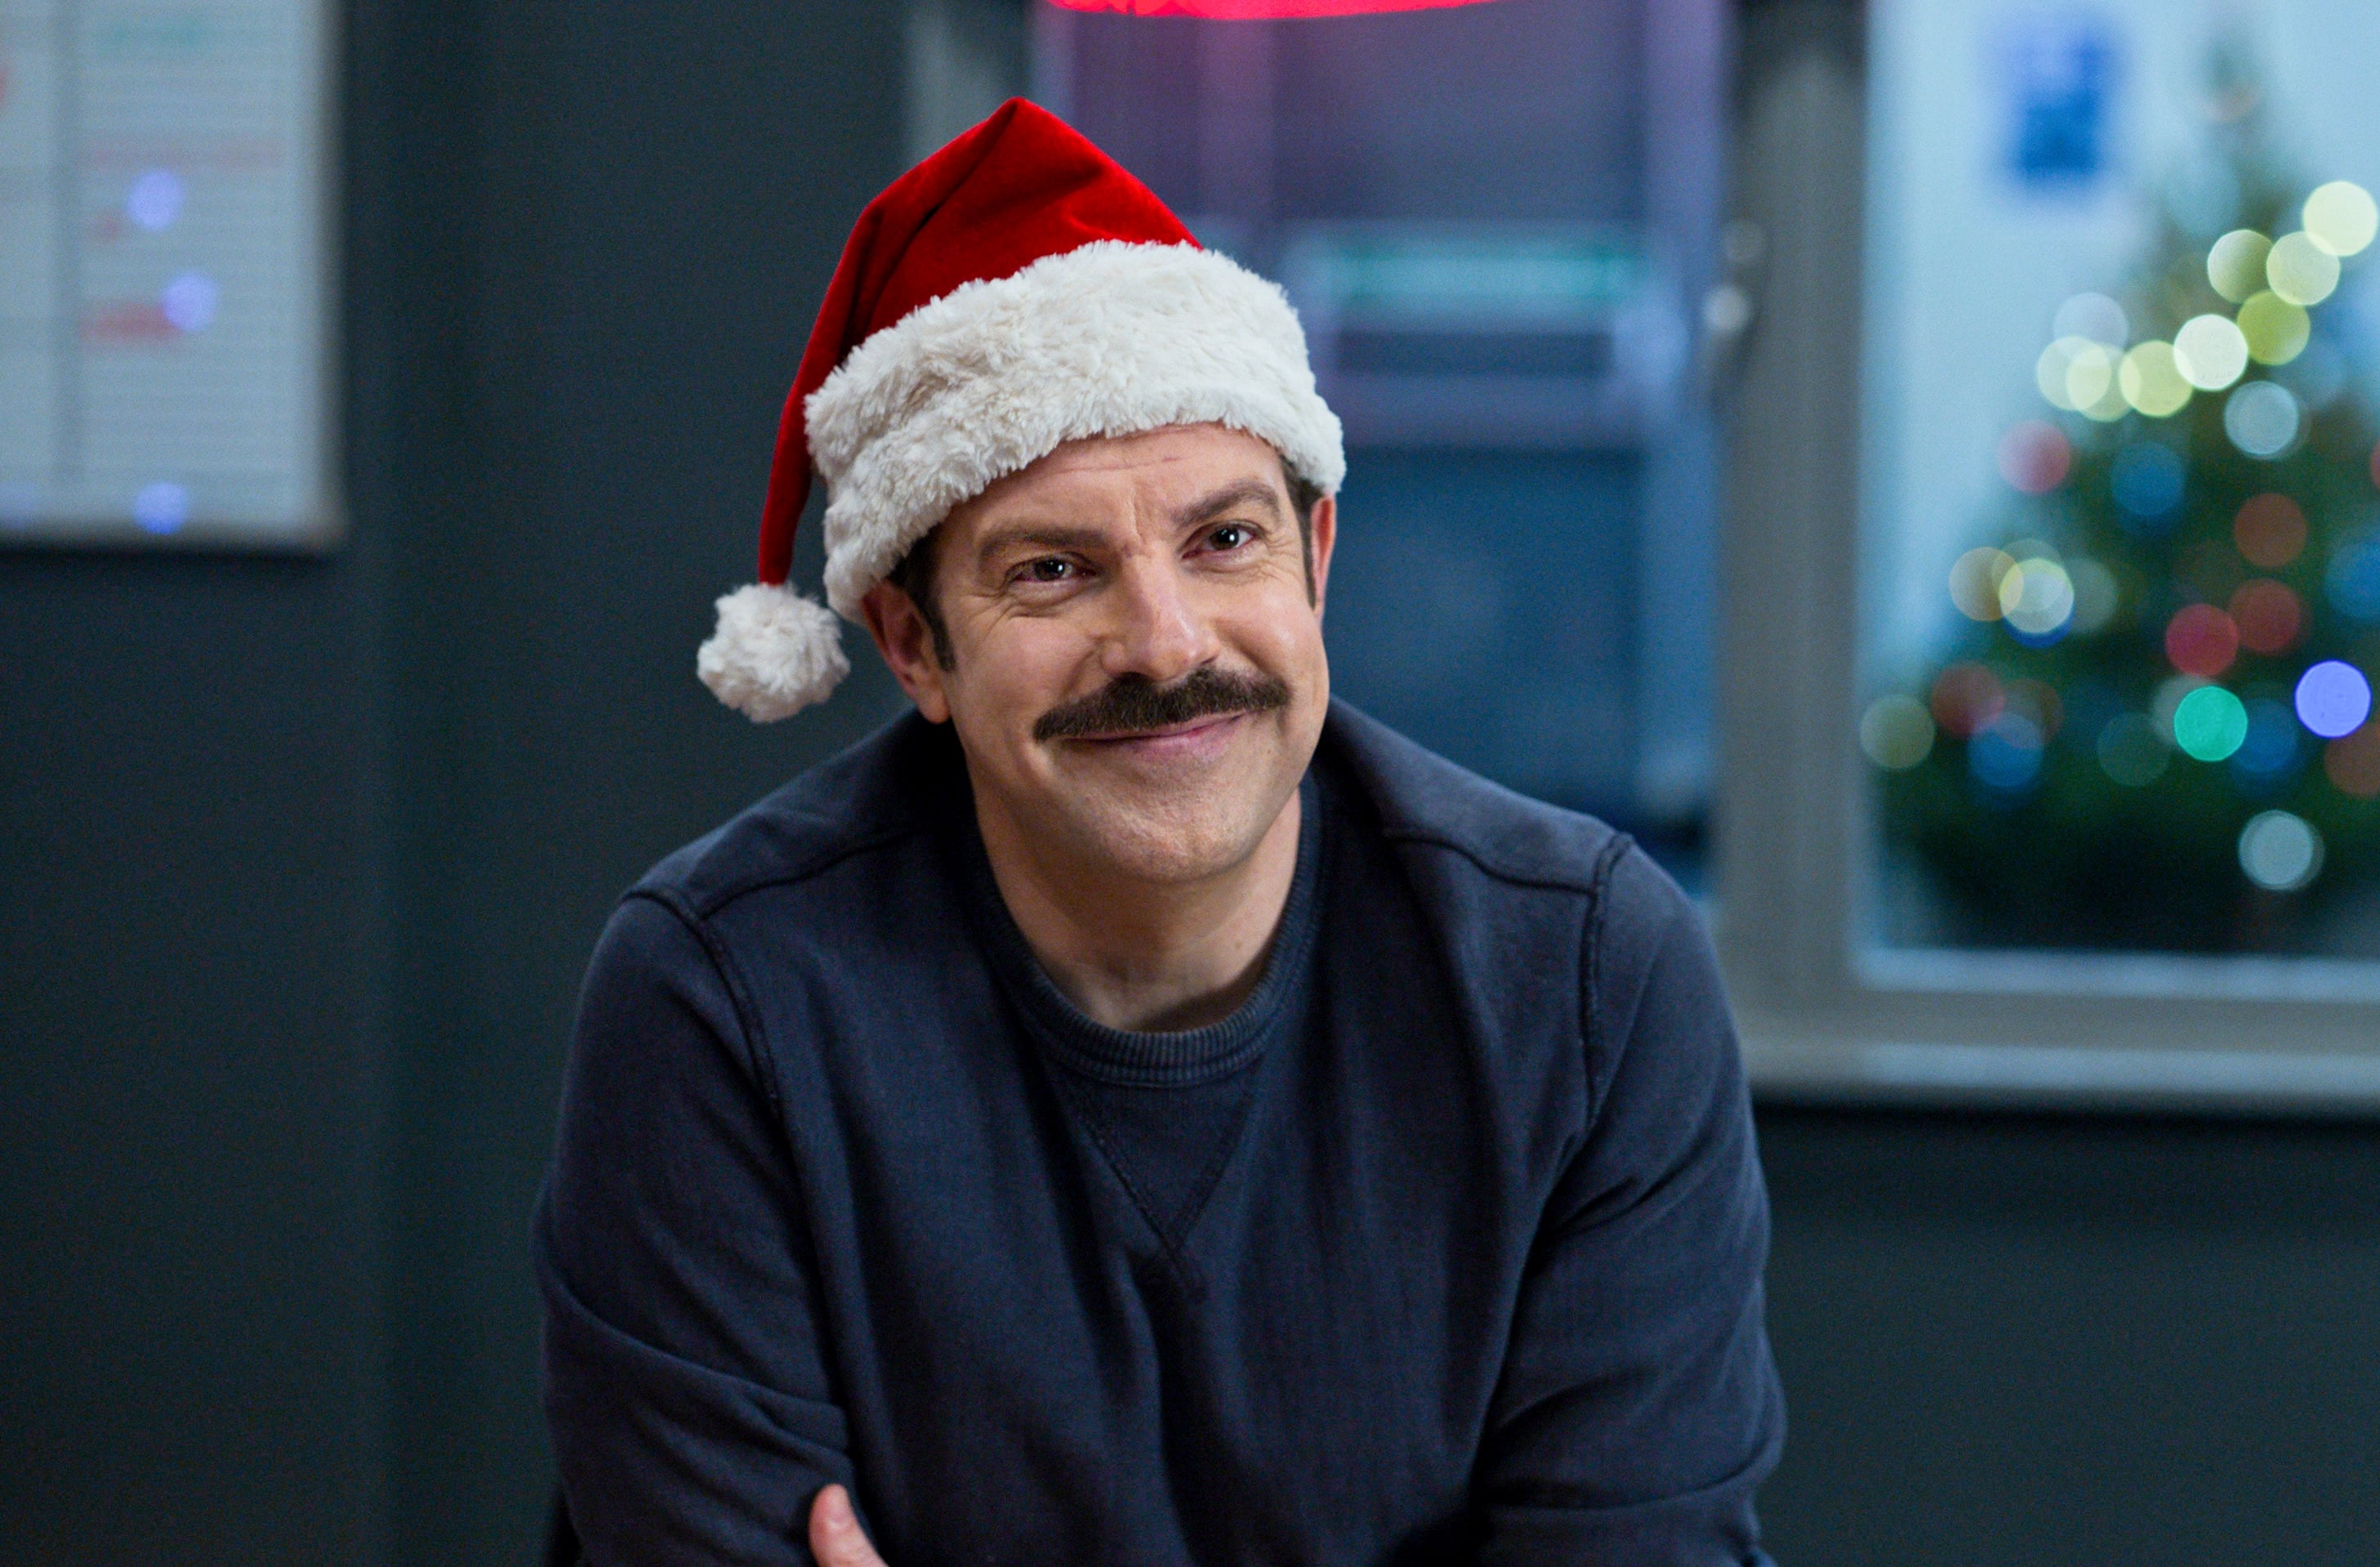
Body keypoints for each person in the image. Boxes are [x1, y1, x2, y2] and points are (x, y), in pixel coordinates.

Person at [535, 98, 1784, 1566]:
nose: (1166, 642)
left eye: (1224, 540)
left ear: (1315, 557)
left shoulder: (1579, 975)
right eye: (1052, 570)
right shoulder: (723, 996)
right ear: (913, 644)